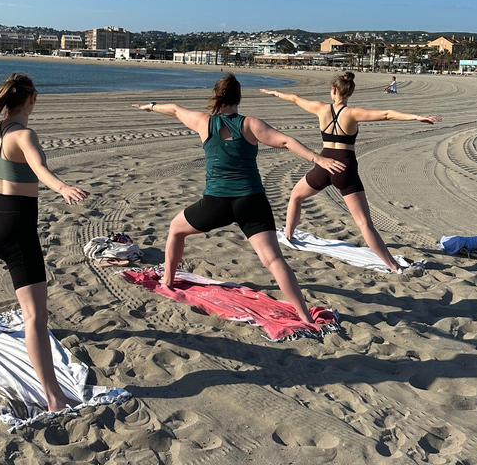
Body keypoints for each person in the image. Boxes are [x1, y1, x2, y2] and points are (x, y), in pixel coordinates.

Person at [132, 74, 345, 323]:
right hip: (252, 201)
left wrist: (152, 106)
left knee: (176, 229)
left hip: (216, 203)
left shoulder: (204, 122)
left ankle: (168, 280)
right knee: (274, 260)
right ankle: (305, 315)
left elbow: (176, 110)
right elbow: (286, 141)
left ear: (216, 96)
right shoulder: (250, 124)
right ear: (238, 97)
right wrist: (317, 159)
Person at [0, 72, 89, 412]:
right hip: (15, 225)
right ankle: (53, 398)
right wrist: (62, 188)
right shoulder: (24, 134)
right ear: (31, 100)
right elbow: (40, 169)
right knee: (35, 316)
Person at [260, 72, 441, 273]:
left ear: (334, 91)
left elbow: (294, 99)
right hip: (344, 168)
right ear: (349, 92)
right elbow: (387, 114)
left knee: (295, 196)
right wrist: (417, 117)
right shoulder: (352, 113)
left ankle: (289, 236)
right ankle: (392, 265)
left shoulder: (320, 109)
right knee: (364, 223)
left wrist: (274, 92)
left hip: (324, 165)